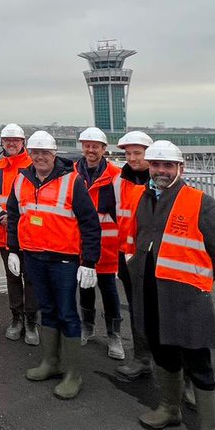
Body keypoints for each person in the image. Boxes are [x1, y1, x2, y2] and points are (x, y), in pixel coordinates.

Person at [130, 141, 215, 430]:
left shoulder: (200, 201)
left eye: (167, 166)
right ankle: (169, 408)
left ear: (180, 168)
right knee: (163, 353)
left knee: (197, 362)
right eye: (156, 165)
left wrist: (198, 283)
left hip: (187, 296)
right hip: (152, 292)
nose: (161, 171)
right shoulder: (146, 199)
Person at [6, 131, 101, 400]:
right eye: (35, 152)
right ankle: (51, 362)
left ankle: (73, 374)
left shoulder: (72, 181)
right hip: (34, 257)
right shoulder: (21, 180)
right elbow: (14, 216)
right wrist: (13, 250)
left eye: (45, 152)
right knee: (47, 308)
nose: (39, 157)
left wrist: (89, 261)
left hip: (64, 259)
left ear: (54, 153)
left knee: (67, 312)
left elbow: (89, 223)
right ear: (29, 153)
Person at [0, 124, 38, 343]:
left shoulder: (32, 165)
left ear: (23, 142)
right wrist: (1, 216)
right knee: (13, 276)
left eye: (15, 140)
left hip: (30, 233)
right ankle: (17, 319)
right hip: (5, 232)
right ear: (2, 143)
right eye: (7, 140)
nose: (11, 143)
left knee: (31, 278)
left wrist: (18, 219)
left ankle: (32, 322)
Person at [74, 128, 124, 359]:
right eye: (87, 145)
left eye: (95, 146)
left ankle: (114, 335)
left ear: (104, 149)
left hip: (108, 245)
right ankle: (87, 326)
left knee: (108, 290)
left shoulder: (116, 175)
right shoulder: (73, 173)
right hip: (81, 243)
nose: (90, 150)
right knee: (85, 287)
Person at [113, 131, 154, 380]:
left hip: (154, 257)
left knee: (163, 313)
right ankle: (142, 358)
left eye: (137, 153)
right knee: (136, 308)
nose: (132, 158)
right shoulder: (120, 181)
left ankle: (179, 374)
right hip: (127, 255)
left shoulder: (160, 181)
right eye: (128, 154)